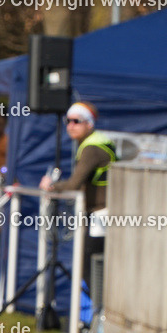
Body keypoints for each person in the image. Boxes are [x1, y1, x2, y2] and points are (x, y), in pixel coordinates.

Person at [40, 101, 118, 319]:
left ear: (89, 124)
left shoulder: (93, 147)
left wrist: (52, 186)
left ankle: (102, 314)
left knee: (90, 264)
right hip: (100, 213)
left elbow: (74, 184)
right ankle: (99, 313)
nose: (70, 126)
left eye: (77, 121)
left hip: (103, 214)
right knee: (92, 264)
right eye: (68, 121)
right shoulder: (94, 143)